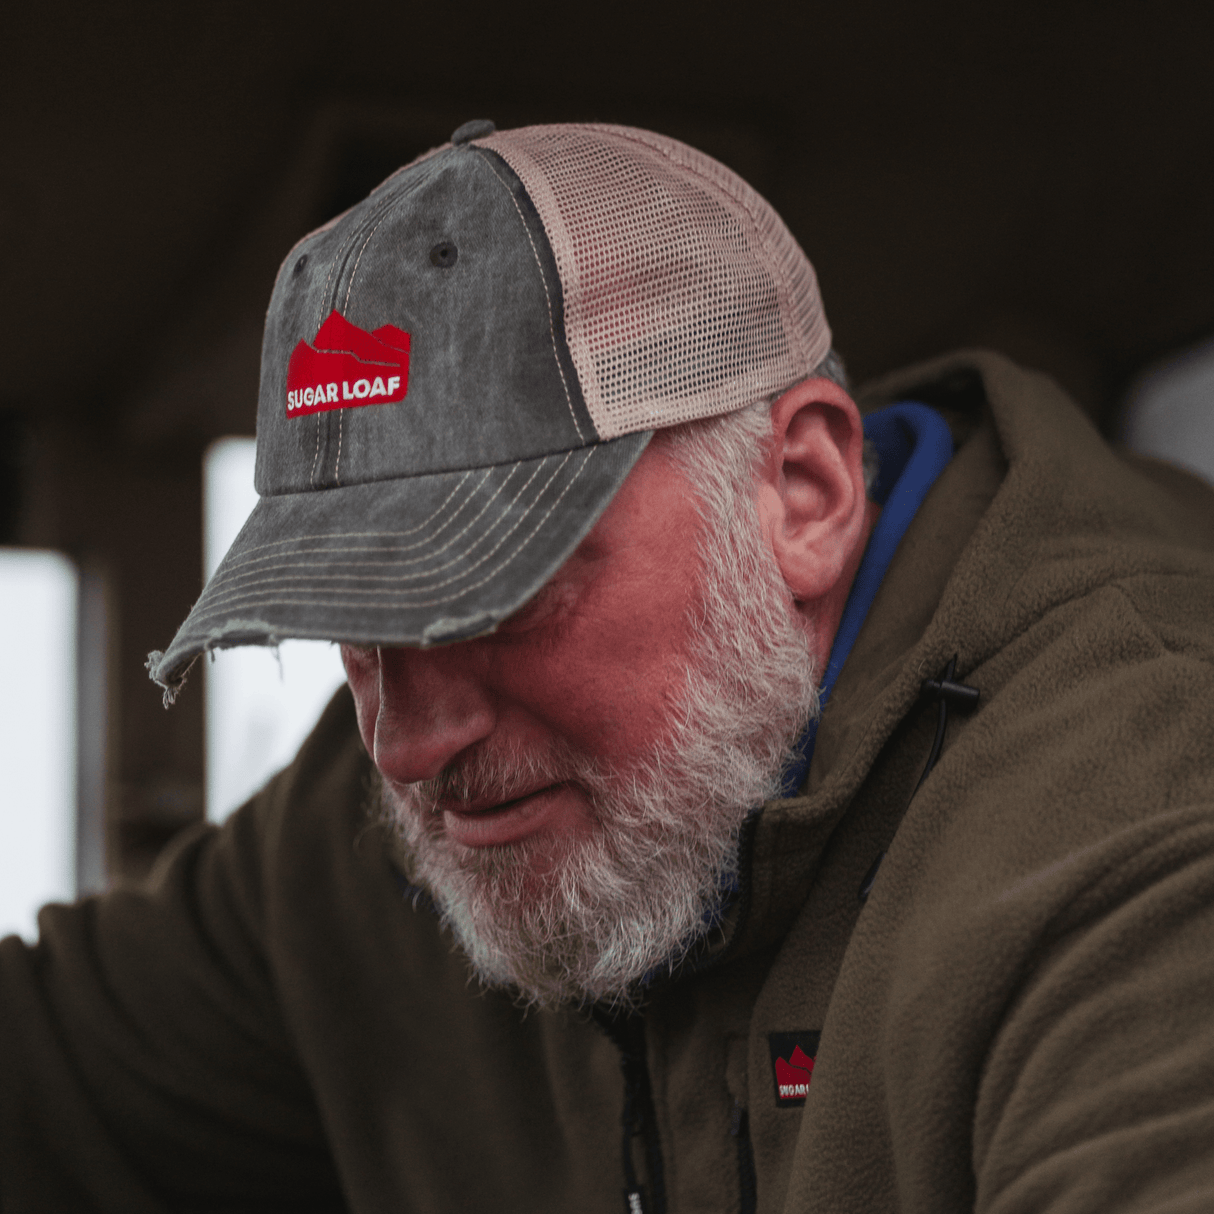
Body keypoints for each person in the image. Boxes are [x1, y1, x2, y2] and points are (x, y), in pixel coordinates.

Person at [3, 121, 1213, 1214]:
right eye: (358, 621)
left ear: (803, 493)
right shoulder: (382, 828)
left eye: (499, 596)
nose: (407, 743)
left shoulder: (1138, 799)